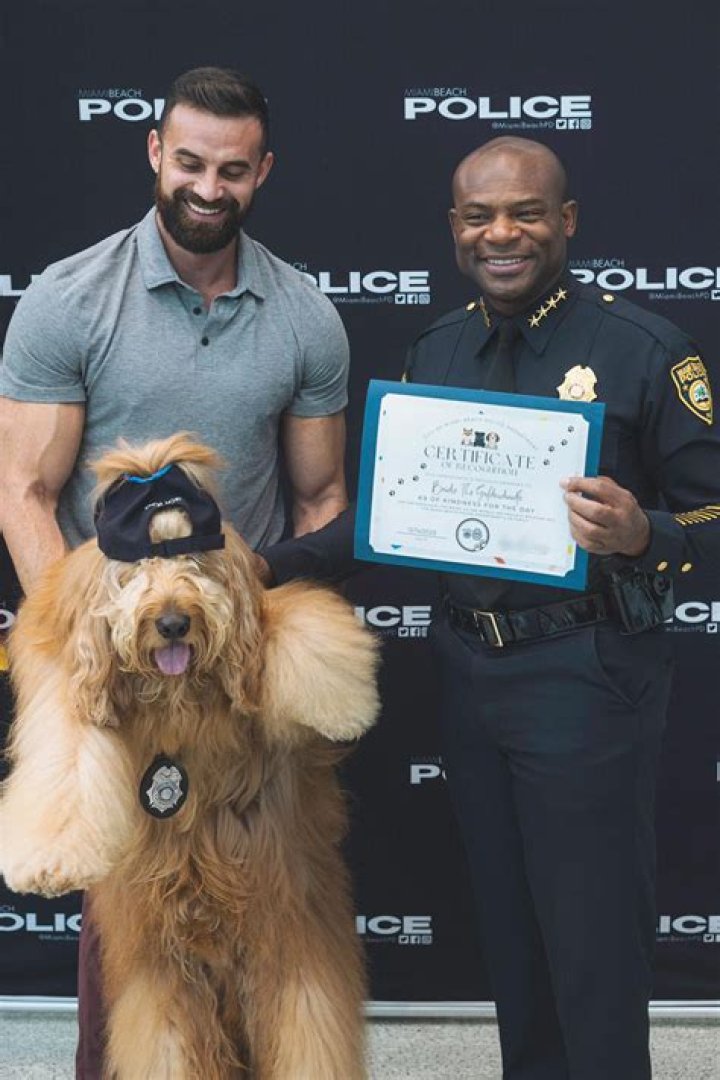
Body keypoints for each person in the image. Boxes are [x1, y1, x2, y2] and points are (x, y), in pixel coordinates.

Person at [264, 137, 720, 1080]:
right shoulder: (437, 348)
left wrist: (644, 532)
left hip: (588, 676)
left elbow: (712, 514)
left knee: (592, 941)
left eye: (525, 213)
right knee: (511, 937)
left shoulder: (645, 351)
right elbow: (385, 518)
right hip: (470, 674)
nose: (501, 234)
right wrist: (266, 566)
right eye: (479, 217)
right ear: (454, 228)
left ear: (567, 221)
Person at [0, 66, 350, 1078]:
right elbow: (25, 491)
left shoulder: (304, 316)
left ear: (262, 171)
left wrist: (285, 657)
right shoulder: (69, 300)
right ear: (155, 152)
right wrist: (84, 653)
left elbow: (320, 501)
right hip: (120, 663)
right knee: (132, 949)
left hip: (241, 666)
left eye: (232, 170)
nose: (208, 186)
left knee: (283, 925)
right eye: (189, 162)